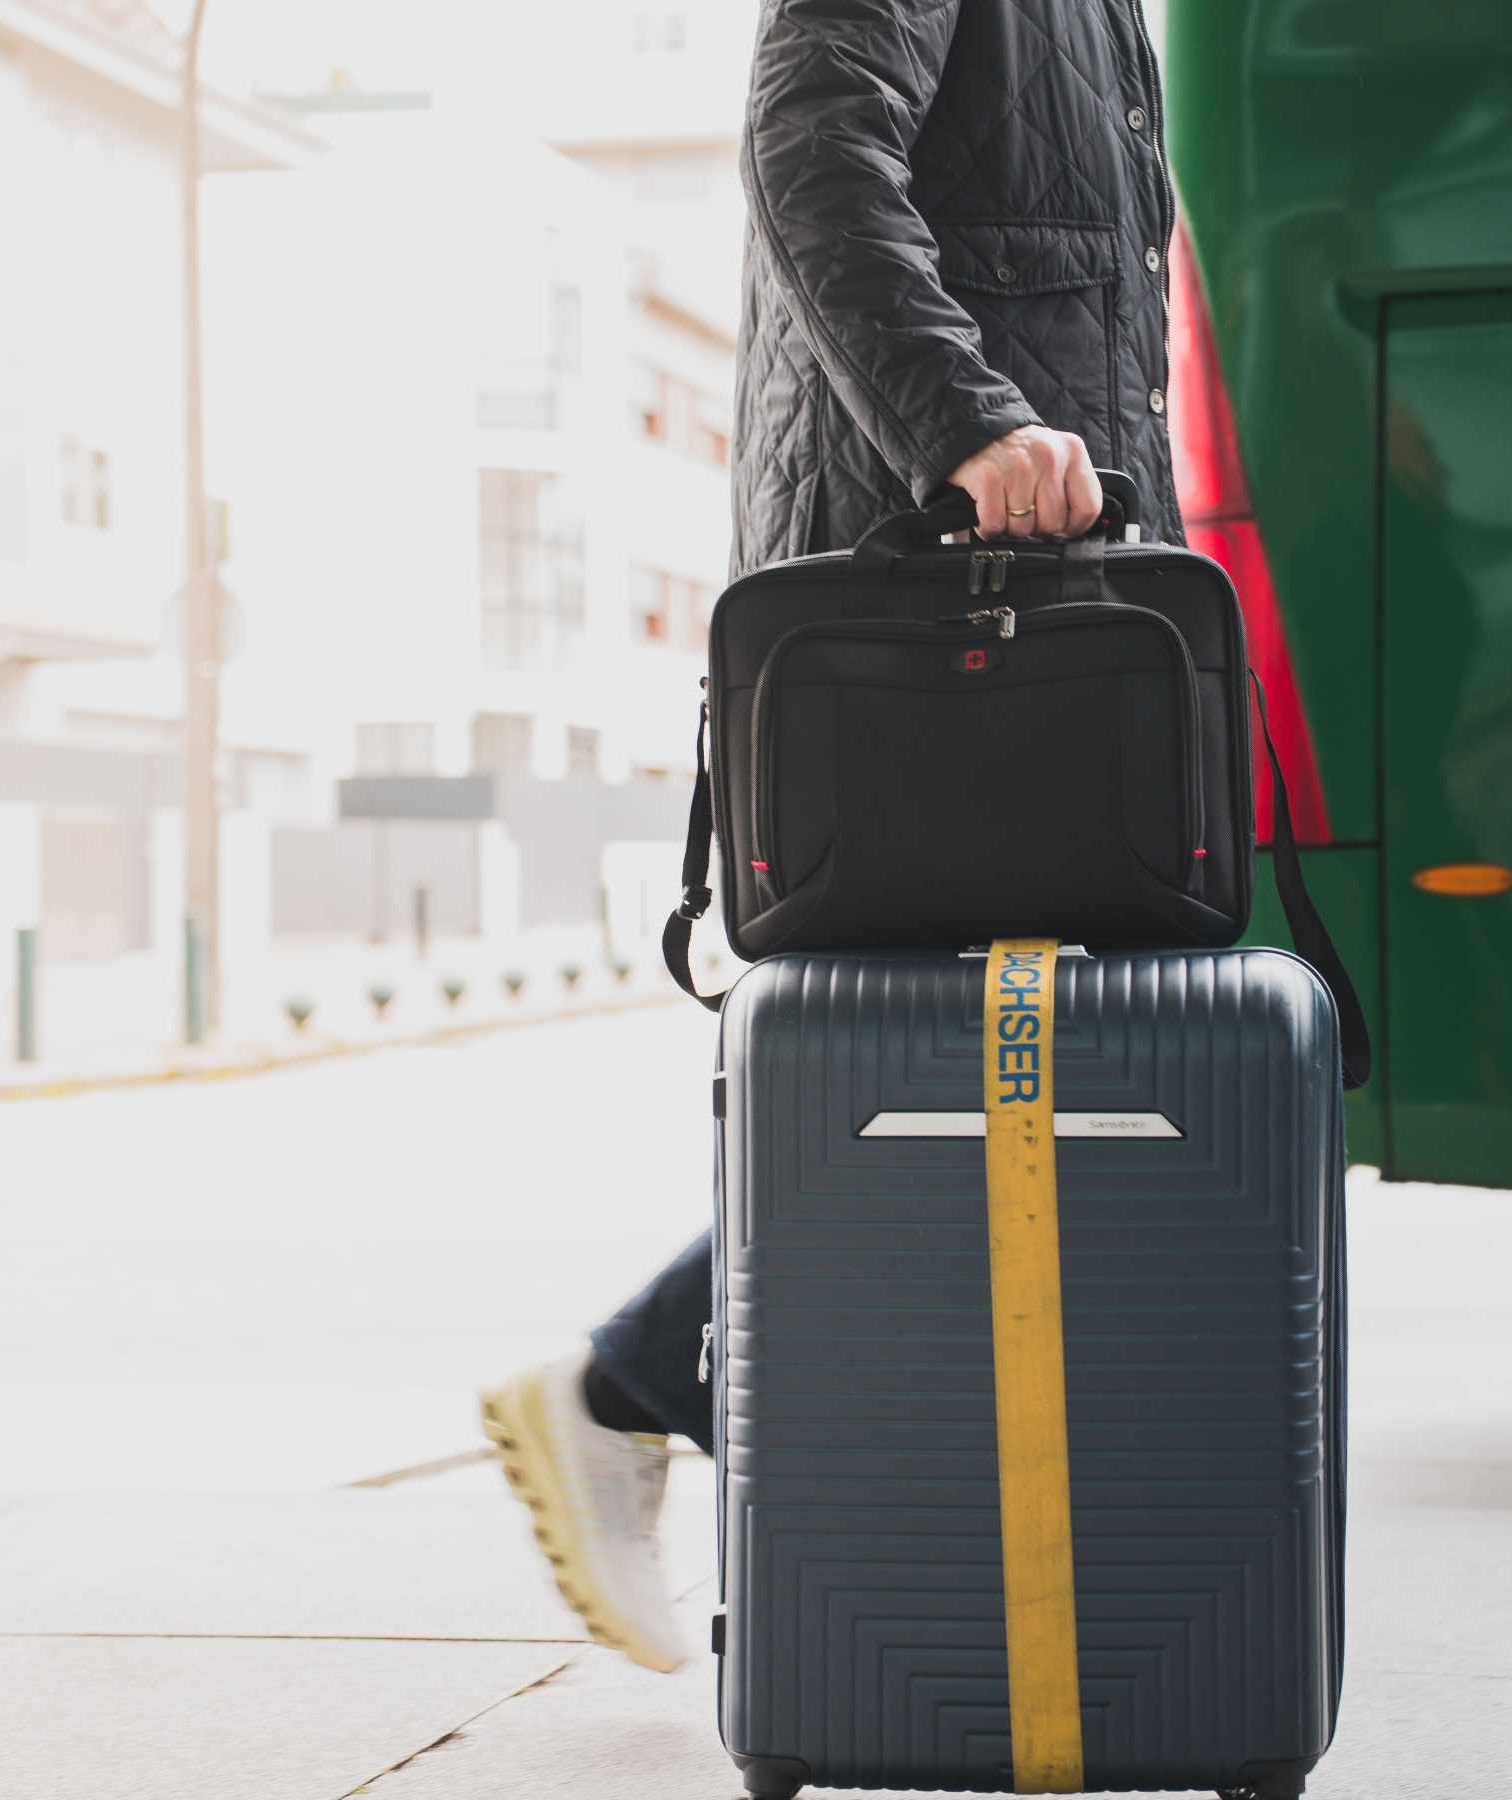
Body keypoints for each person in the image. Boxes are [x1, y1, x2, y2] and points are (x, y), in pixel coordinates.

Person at [480, 0, 1181, 1674]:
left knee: (1017, 1064)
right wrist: (970, 425)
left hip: (1042, 598)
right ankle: (629, 1390)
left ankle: (678, 1407)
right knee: (949, 1066)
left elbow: (1081, 282)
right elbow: (810, 150)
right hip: (927, 598)